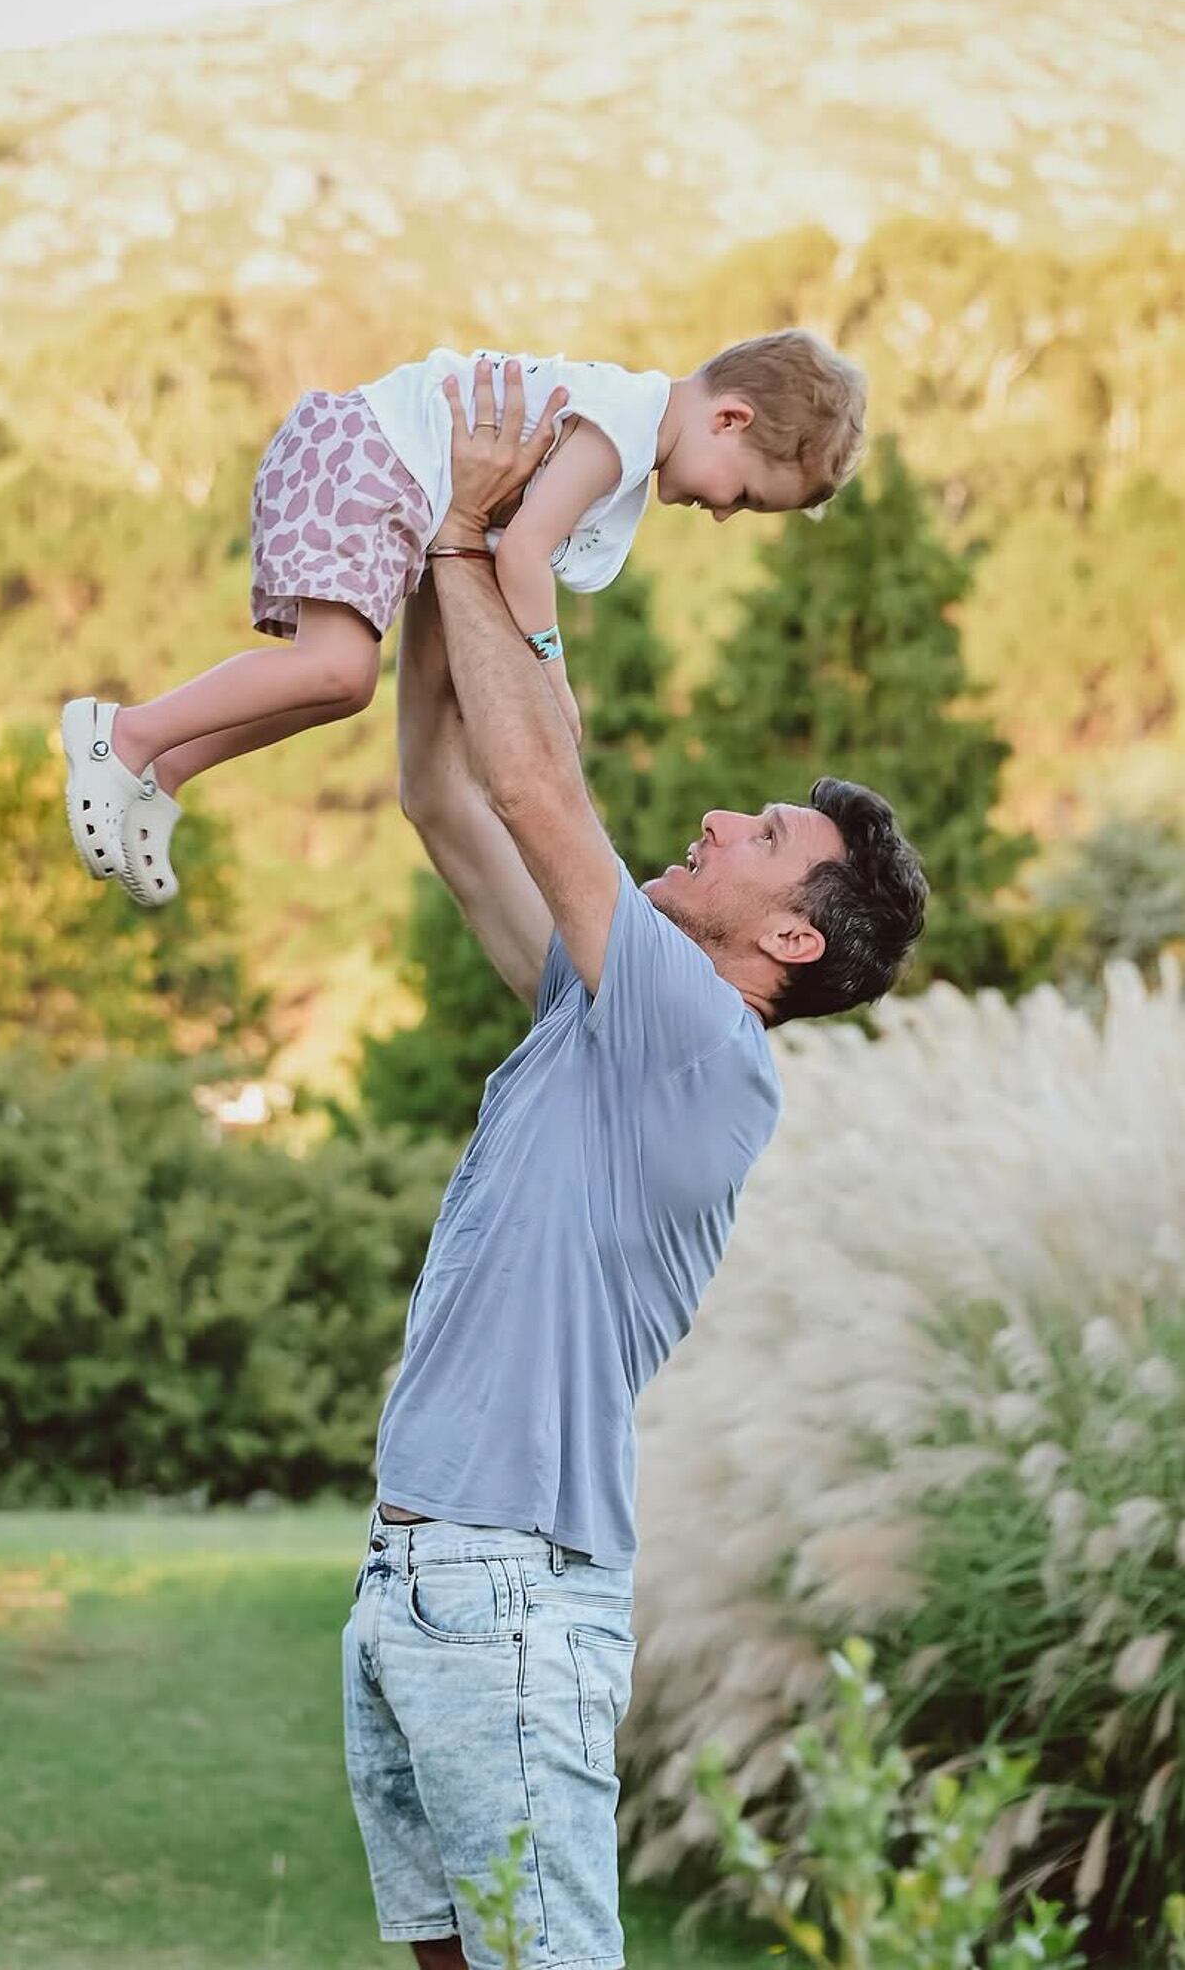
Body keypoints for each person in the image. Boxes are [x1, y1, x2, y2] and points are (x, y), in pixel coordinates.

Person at [341, 361, 927, 1970]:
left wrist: (483, 536)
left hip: (510, 1588)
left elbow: (538, 784)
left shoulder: (701, 1043)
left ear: (791, 937)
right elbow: (446, 789)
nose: (722, 820)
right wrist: (431, 548)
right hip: (418, 1575)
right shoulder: (605, 1011)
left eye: (763, 839)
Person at [60, 331, 865, 905]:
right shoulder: (623, 424)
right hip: (367, 455)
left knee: (345, 689)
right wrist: (553, 679)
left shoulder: (633, 429)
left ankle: (163, 769)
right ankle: (121, 734)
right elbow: (520, 554)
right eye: (747, 496)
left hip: (384, 477)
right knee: (336, 667)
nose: (726, 514)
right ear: (730, 420)